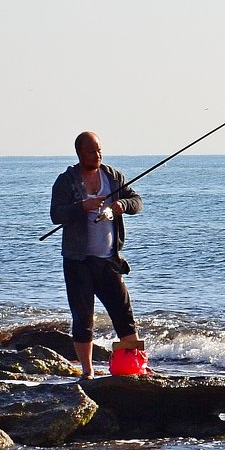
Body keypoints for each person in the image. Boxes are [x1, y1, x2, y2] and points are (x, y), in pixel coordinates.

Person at [49, 131, 143, 378]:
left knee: (124, 314)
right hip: (77, 260)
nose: (98, 155)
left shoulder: (113, 177)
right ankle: (88, 372)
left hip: (109, 259)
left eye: (100, 150)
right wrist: (82, 206)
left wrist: (123, 206)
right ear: (80, 153)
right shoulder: (66, 181)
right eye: (92, 151)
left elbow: (137, 201)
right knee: (83, 317)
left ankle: (133, 366)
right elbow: (56, 214)